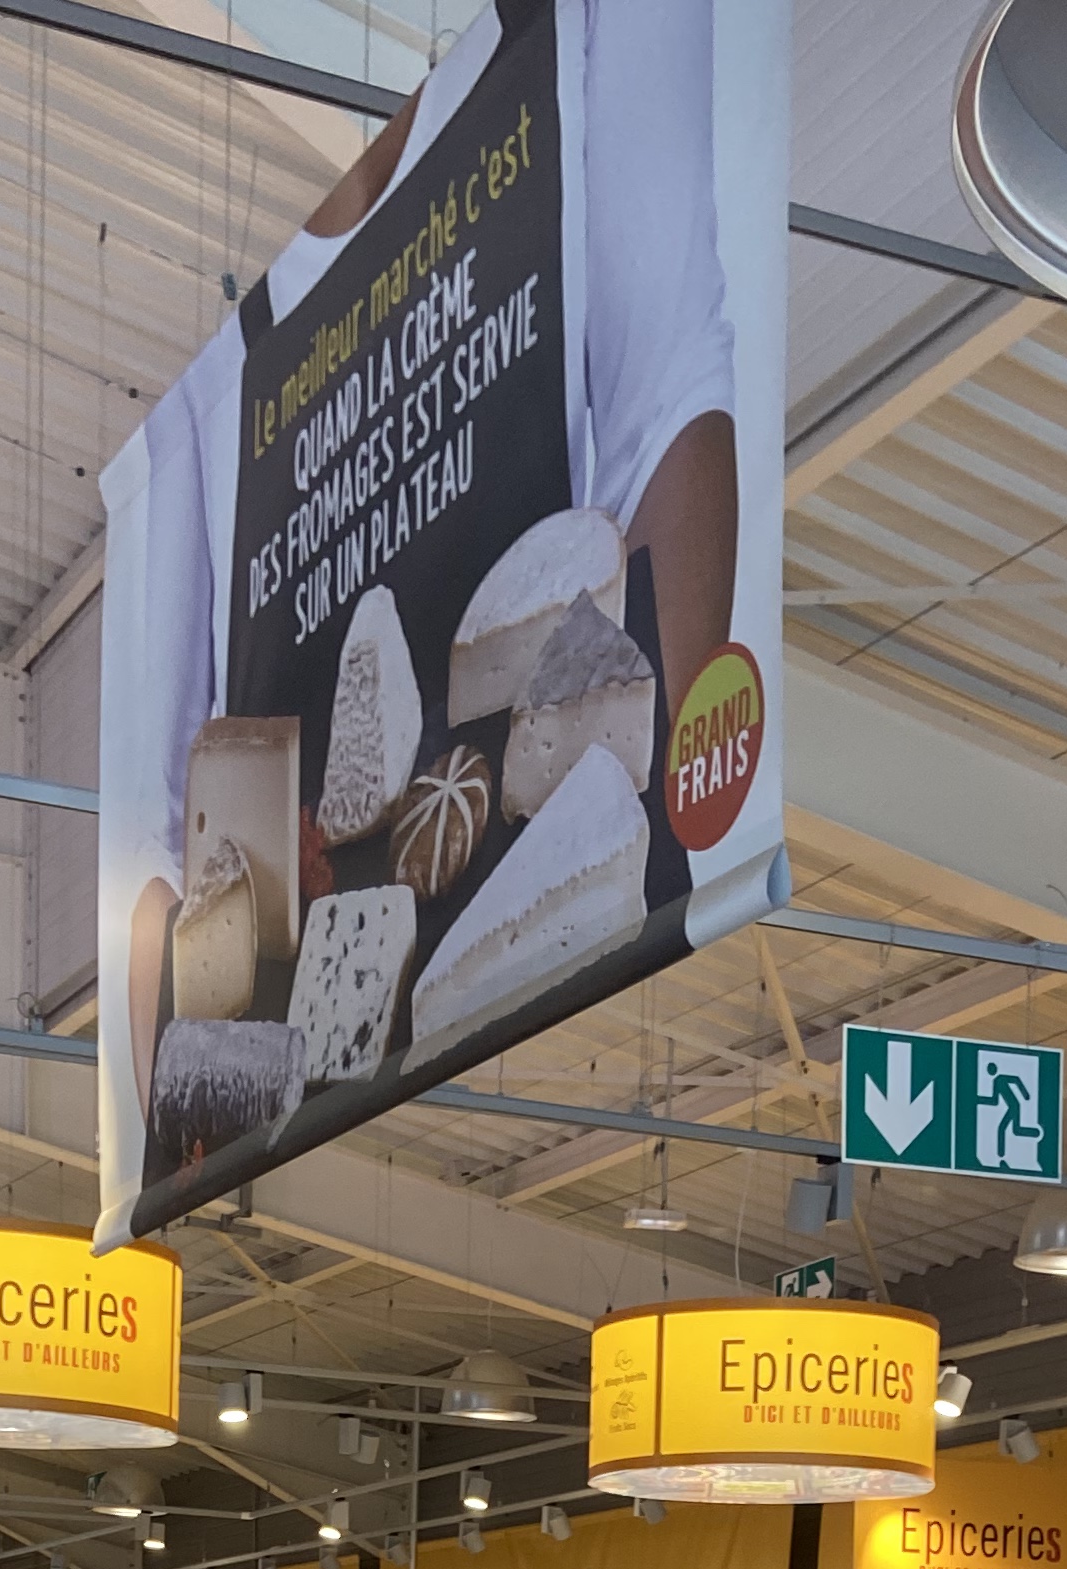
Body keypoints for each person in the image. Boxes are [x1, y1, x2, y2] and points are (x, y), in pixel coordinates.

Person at [105, 0, 745, 1124]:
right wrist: (217, 1104)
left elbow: (673, 406)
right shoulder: (199, 430)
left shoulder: (593, 35)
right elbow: (161, 846)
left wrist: (619, 841)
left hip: (526, 791)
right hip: (319, 939)